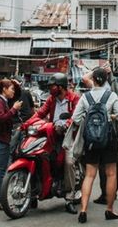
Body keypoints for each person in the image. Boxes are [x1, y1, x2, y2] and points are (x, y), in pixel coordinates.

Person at [74, 66, 118, 223]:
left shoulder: (86, 97)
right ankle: (109, 210)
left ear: (94, 80)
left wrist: (89, 120)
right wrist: (111, 117)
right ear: (106, 80)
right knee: (111, 174)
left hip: (91, 141)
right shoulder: (111, 95)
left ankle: (83, 210)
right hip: (108, 139)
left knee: (89, 175)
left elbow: (75, 118)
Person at [24, 73, 80, 214]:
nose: (50, 89)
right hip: (52, 134)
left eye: (52, 86)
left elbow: (75, 117)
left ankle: (69, 198)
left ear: (60, 87)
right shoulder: (51, 99)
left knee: (68, 162)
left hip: (68, 136)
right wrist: (26, 124)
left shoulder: (74, 98)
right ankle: (34, 192)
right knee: (38, 156)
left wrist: (66, 125)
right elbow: (40, 114)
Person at [0, 79, 23, 210]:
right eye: (11, 89)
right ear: (4, 89)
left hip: (2, 138)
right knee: (0, 170)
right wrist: (14, 109)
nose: (13, 91)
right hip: (2, 138)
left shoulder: (2, 100)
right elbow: (2, 118)